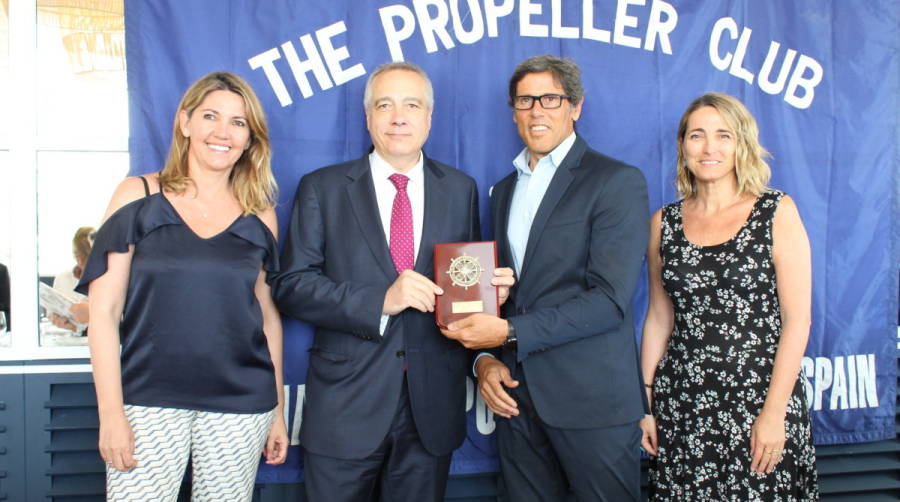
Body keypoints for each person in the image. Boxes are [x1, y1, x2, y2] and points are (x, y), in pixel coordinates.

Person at [271, 61, 512, 502]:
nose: (399, 116)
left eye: (411, 104)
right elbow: (290, 285)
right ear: (368, 117)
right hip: (346, 410)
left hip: (431, 411)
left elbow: (464, 282)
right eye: (385, 105)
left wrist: (490, 295)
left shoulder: (460, 189)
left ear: (429, 117)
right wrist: (379, 301)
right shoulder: (322, 188)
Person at [442, 55, 650, 501]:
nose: (536, 110)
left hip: (592, 401)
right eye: (524, 100)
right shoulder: (503, 190)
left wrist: (510, 331)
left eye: (550, 98)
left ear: (576, 106)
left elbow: (610, 300)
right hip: (517, 400)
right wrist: (485, 361)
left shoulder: (615, 181)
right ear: (513, 110)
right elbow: (506, 291)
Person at [76, 72, 288, 501]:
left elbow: (266, 315)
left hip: (241, 401)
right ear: (185, 122)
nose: (222, 132)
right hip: (148, 399)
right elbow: (103, 312)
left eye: (238, 122)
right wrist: (111, 412)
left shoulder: (259, 211)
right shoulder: (136, 195)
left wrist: (278, 412)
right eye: (210, 116)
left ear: (250, 139)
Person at [638, 92, 818, 500]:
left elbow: (797, 319)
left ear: (742, 145)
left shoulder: (776, 211)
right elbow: (658, 318)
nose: (709, 147)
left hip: (759, 400)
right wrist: (646, 405)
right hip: (683, 405)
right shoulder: (662, 223)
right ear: (683, 147)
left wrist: (774, 413)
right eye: (697, 135)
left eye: (723, 135)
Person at [49, 226, 94, 332]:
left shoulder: (109, 280)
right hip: (67, 340)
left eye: (84, 256)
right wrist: (55, 318)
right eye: (77, 255)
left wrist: (79, 328)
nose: (80, 262)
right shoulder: (62, 278)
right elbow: (51, 312)